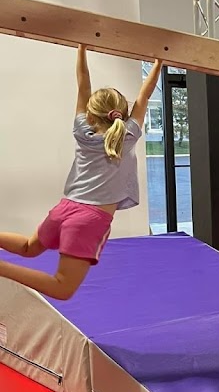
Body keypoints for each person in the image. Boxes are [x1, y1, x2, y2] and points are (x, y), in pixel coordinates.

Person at [0, 46, 162, 300]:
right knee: (62, 287)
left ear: (90, 116)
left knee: (29, 247)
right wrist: (159, 61)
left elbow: (83, 84)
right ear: (123, 115)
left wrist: (81, 48)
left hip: (66, 207)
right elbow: (145, 94)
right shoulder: (127, 136)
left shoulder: (82, 132)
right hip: (89, 219)